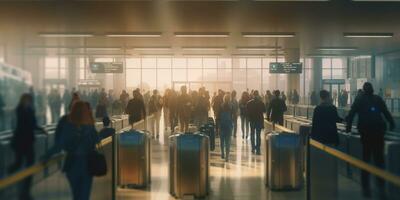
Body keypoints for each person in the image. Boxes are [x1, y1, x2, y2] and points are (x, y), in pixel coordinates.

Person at [346, 82, 395, 199]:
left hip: (366, 132)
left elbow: (352, 114)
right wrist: (392, 123)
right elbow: (386, 112)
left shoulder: (359, 100)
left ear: (363, 90)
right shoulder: (377, 99)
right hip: (378, 131)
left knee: (366, 158)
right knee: (379, 159)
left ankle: (366, 187)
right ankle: (381, 186)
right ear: (373, 90)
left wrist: (348, 128)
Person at [43, 101, 99, 200]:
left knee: (76, 196)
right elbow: (96, 140)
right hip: (87, 165)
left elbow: (59, 145)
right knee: (84, 196)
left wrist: (47, 155)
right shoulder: (90, 127)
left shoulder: (69, 127)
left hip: (72, 164)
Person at [9, 94, 45, 200]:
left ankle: (25, 191)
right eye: (26, 100)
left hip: (25, 142)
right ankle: (20, 189)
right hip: (22, 142)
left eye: (29, 100)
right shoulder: (21, 110)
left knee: (27, 165)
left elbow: (32, 124)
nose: (28, 102)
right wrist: (39, 129)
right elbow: (29, 124)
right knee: (21, 163)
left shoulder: (26, 110)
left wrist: (40, 129)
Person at [246, 90, 265, 155]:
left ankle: (253, 148)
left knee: (252, 134)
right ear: (258, 95)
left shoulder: (249, 103)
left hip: (252, 120)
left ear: (253, 95)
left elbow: (247, 112)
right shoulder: (261, 103)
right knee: (258, 135)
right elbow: (264, 110)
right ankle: (258, 149)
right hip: (259, 120)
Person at [219, 93, 234, 162]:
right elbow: (234, 116)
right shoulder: (231, 107)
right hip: (229, 125)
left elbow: (218, 117)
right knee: (228, 141)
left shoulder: (221, 106)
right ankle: (227, 157)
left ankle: (222, 153)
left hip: (222, 125)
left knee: (222, 140)